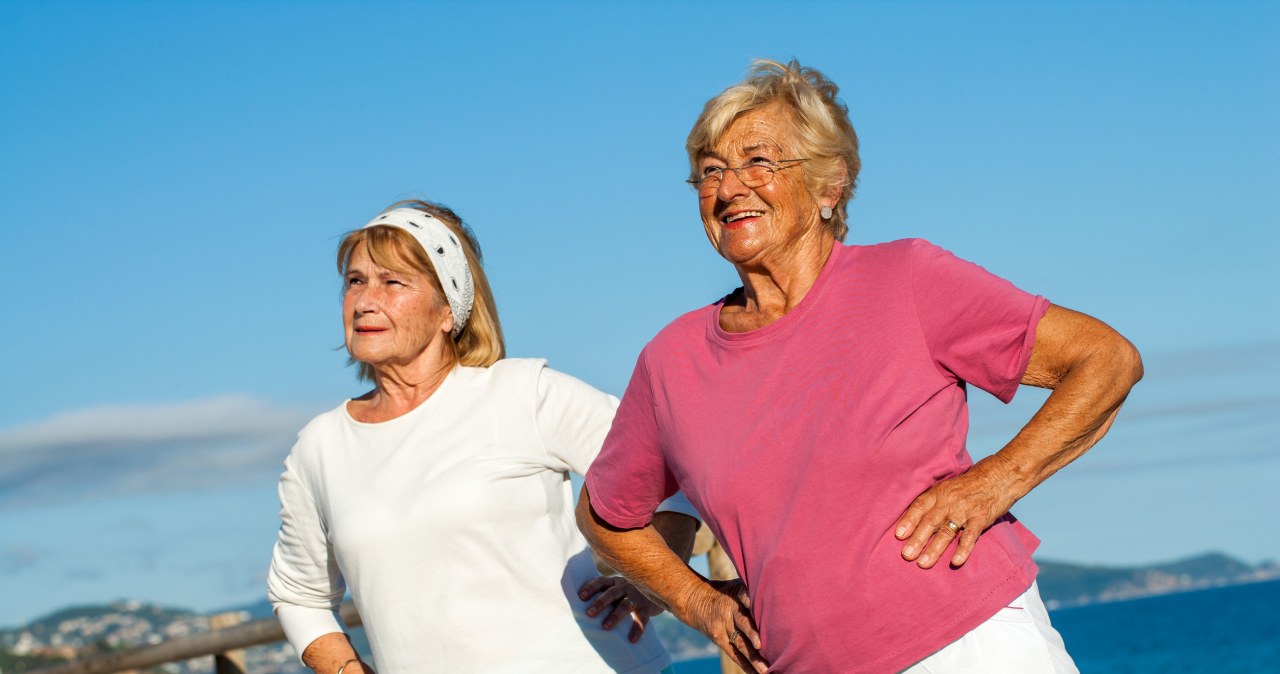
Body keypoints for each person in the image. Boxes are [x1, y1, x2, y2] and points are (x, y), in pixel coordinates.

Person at [577, 59, 1143, 673]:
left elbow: (1105, 360)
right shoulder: (671, 361)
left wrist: (993, 483)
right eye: (711, 172)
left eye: (759, 162)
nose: (731, 187)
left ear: (828, 185)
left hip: (973, 643)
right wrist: (699, 603)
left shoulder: (904, 279)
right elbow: (606, 515)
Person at [267, 200, 699, 674]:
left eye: (393, 282)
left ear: (447, 311)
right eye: (355, 281)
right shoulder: (320, 448)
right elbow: (298, 593)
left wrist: (655, 586)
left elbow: (668, 472)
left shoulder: (522, 393)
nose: (366, 300)